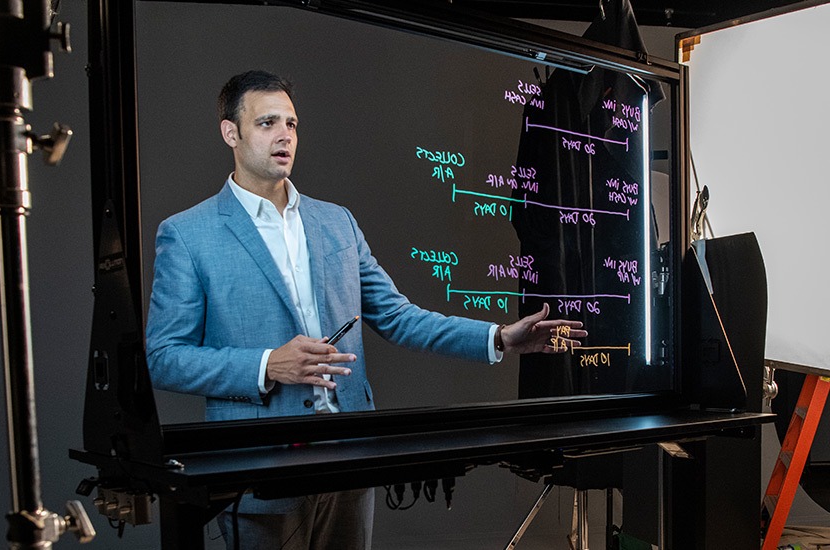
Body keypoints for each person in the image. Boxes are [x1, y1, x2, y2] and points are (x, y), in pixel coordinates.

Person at [145, 70, 587, 550]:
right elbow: (163, 356)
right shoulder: (188, 234)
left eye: (291, 124)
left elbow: (398, 316)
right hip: (258, 472)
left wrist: (499, 337)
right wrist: (267, 365)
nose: (284, 136)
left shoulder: (336, 222)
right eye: (267, 122)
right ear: (231, 133)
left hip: (351, 461)